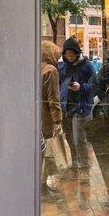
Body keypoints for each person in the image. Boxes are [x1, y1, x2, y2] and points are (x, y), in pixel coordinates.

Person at [59, 37, 97, 183]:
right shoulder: (62, 65)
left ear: (77, 53)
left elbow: (95, 86)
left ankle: (84, 169)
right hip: (66, 107)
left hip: (81, 109)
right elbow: (60, 83)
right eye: (67, 55)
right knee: (69, 138)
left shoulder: (87, 66)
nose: (69, 58)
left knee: (79, 139)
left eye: (72, 55)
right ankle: (75, 164)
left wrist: (81, 87)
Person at [41, 41, 63, 197]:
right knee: (47, 155)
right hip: (46, 120)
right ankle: (42, 187)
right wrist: (58, 120)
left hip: (34, 119)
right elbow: (53, 99)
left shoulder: (35, 68)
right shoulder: (51, 70)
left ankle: (38, 186)